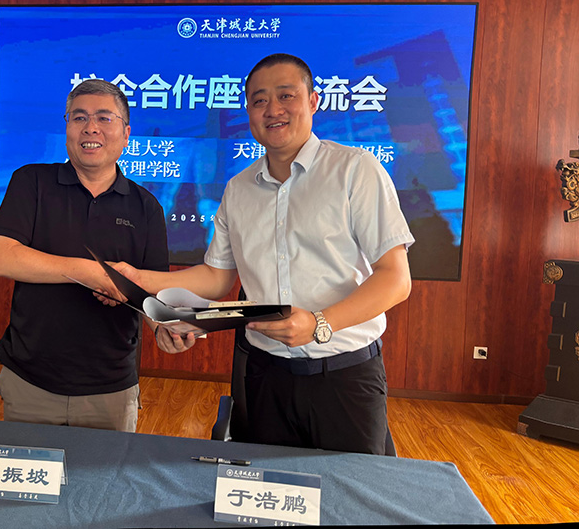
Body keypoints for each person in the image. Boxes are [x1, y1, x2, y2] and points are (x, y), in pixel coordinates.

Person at [113, 53, 414, 454]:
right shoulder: (239, 189)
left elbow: (395, 278)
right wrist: (139, 279)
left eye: (286, 95)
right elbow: (216, 276)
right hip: (264, 375)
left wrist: (320, 323)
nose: (273, 109)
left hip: (344, 374)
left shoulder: (355, 170)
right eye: (259, 100)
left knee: (349, 488)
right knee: (262, 485)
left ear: (313, 101)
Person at [0, 79, 168, 432]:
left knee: (106, 470)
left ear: (126, 134)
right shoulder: (31, 182)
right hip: (30, 379)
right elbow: (3, 258)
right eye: (79, 117)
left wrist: (165, 328)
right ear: (67, 127)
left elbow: (152, 292)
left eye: (104, 118)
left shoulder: (146, 206)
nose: (91, 128)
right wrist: (92, 273)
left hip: (111, 387)